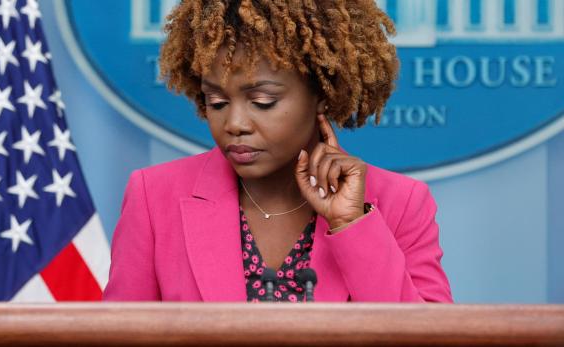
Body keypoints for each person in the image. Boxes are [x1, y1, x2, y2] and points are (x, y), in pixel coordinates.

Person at [103, 0, 452, 303]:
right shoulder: (153, 197)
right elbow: (120, 336)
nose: (235, 123)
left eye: (262, 102)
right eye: (217, 101)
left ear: (322, 93)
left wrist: (351, 224)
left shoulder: (400, 203)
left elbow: (430, 337)